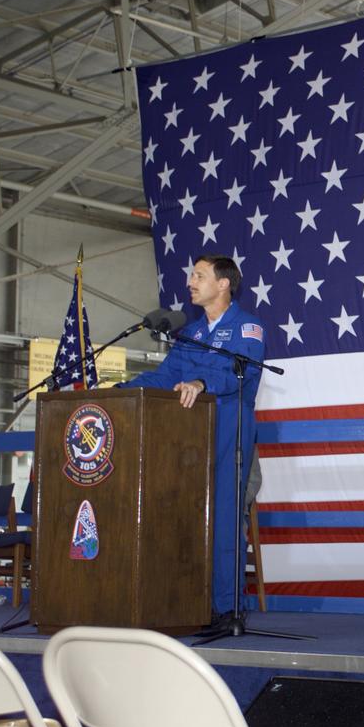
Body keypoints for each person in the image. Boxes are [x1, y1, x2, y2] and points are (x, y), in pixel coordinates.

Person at [119, 254, 264, 630]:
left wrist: (202, 384)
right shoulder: (192, 334)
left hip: (229, 431)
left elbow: (240, 373)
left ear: (223, 284)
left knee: (224, 520)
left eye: (199, 275)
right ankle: (189, 603)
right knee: (185, 520)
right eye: (190, 275)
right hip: (187, 439)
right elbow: (166, 376)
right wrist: (120, 389)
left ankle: (226, 608)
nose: (190, 281)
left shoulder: (248, 328)